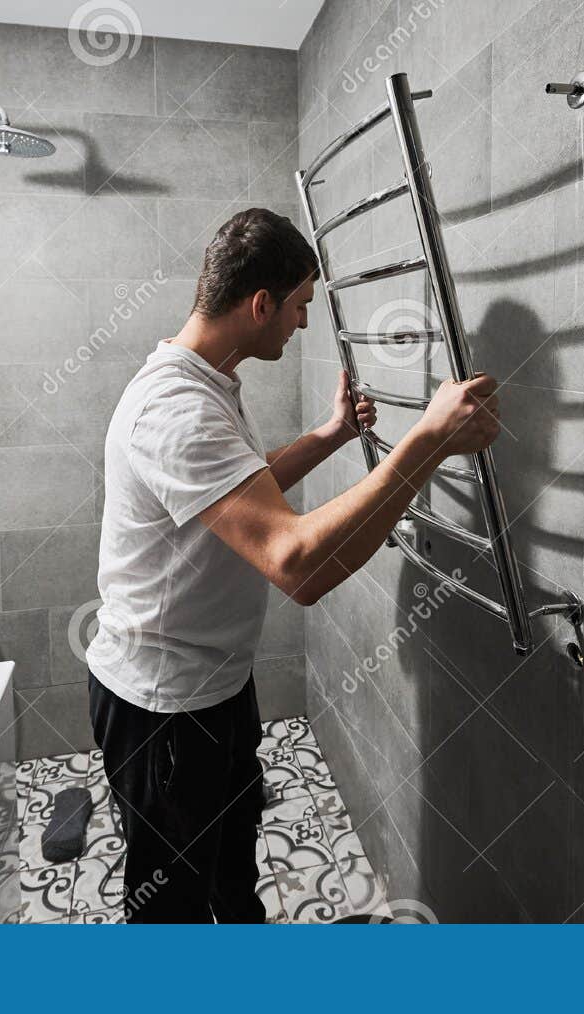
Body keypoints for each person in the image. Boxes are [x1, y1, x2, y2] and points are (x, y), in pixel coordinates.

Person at [87, 207, 501, 922]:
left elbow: (238, 490)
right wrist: (428, 441)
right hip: (164, 714)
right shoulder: (176, 409)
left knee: (232, 878)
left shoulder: (202, 384)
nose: (303, 324)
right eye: (300, 307)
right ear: (260, 304)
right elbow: (297, 564)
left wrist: (331, 435)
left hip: (211, 689)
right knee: (170, 913)